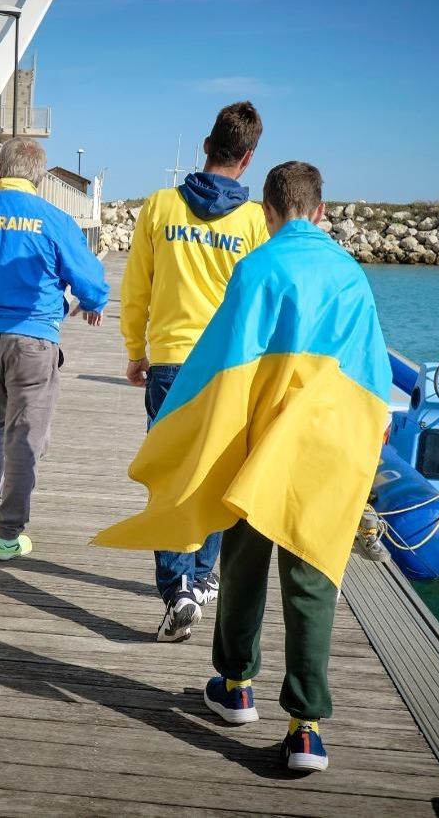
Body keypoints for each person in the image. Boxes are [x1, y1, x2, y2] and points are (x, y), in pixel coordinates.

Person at [96, 161, 391, 773]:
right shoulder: (351, 274)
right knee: (312, 581)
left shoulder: (256, 269)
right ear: (321, 211)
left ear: (268, 212)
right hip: (327, 448)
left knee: (242, 567)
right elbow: (372, 375)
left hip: (261, 444)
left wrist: (177, 432)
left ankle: (235, 688)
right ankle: (306, 729)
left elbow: (220, 368)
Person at [119, 101, 269, 642]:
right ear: (248, 158)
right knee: (216, 471)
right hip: (229, 366)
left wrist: (135, 349)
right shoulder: (254, 221)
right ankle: (204, 575)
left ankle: (178, 587)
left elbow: (136, 287)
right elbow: (262, 301)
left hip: (170, 360)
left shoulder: (160, 206)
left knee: (170, 473)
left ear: (206, 146)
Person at [0, 138, 109, 561]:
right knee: (25, 435)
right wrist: (93, 302)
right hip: (33, 339)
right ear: (38, 177)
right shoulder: (54, 219)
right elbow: (90, 280)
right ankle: (8, 535)